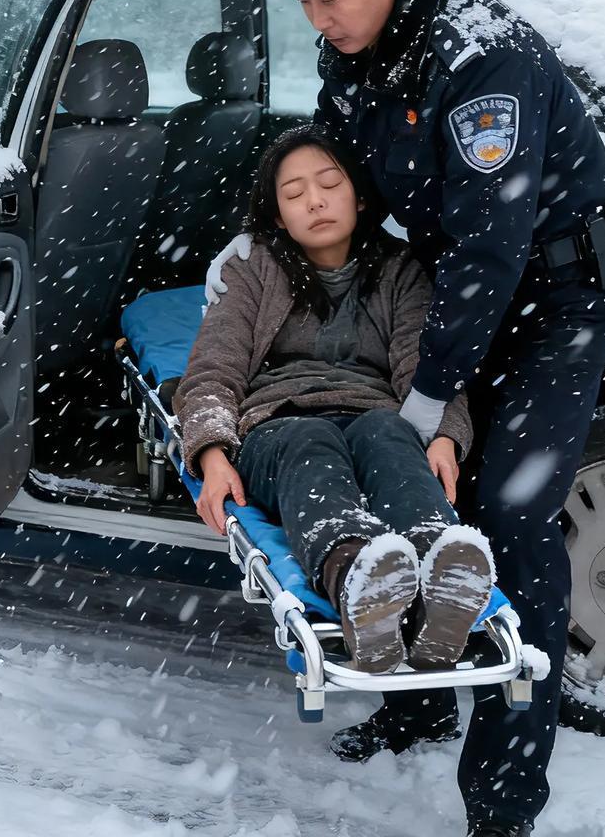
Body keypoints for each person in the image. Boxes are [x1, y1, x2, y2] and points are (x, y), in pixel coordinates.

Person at [208, 0, 605, 837]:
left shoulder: (484, 65)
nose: (318, 19)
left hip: (549, 304)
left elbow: (491, 250)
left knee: (509, 516)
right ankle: (413, 697)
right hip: (452, 297)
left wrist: (431, 392)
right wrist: (275, 261)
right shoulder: (359, 49)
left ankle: (503, 799)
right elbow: (353, 191)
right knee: (412, 486)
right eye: (304, 2)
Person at [177, 126, 495, 674]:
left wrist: (444, 435)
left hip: (373, 414)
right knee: (311, 438)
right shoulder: (252, 268)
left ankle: (440, 578)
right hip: (277, 424)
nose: (316, 201)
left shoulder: (401, 268)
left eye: (329, 184)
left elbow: (427, 366)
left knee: (388, 435)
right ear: (277, 215)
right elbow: (214, 369)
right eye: (295, 194)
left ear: (361, 196)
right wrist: (210, 454)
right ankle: (357, 580)